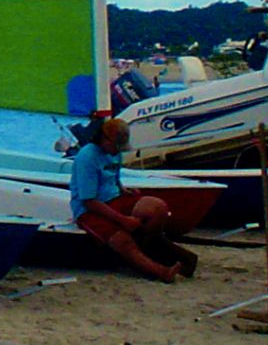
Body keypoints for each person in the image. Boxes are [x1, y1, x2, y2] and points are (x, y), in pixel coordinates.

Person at [69, 118, 197, 283]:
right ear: (105, 140)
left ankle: (149, 245)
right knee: (123, 240)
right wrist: (123, 220)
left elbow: (113, 176)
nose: (117, 151)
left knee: (157, 208)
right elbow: (89, 201)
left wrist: (123, 189)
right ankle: (161, 271)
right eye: (116, 147)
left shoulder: (115, 154)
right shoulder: (87, 157)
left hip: (115, 198)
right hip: (90, 210)